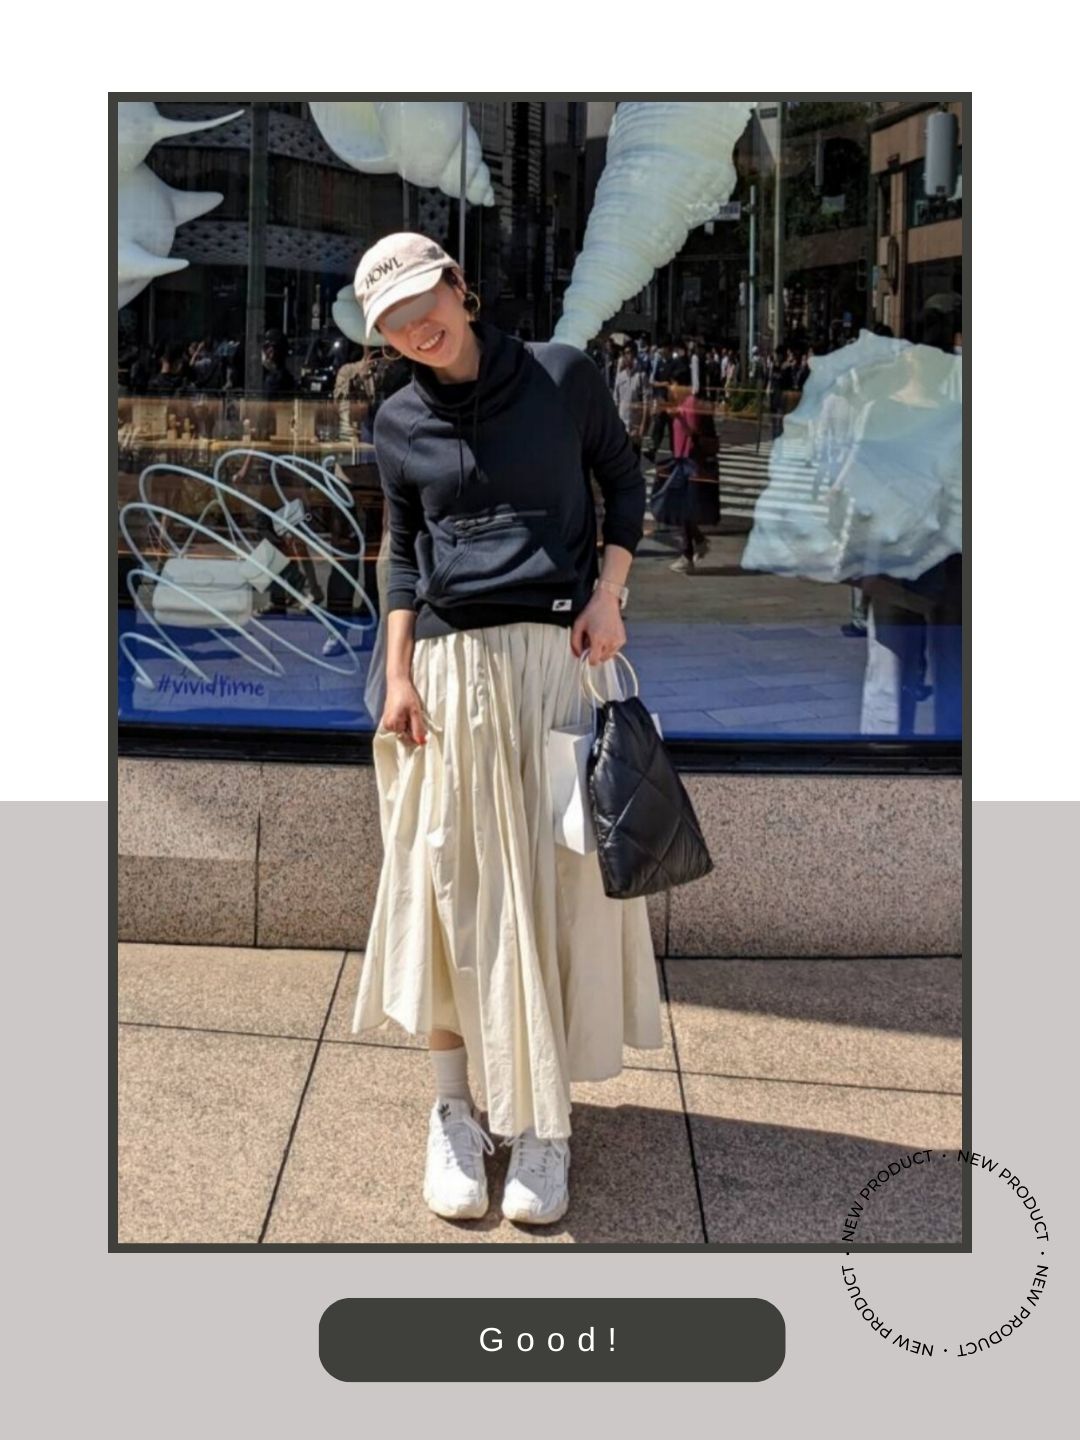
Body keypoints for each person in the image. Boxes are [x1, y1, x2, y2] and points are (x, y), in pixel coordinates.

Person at [351, 232, 663, 1228]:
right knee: (448, 882)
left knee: (554, 889)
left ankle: (542, 1123)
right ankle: (454, 1109)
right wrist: (399, 675)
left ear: (459, 285)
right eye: (394, 321)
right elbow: (403, 555)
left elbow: (626, 485)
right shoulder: (398, 418)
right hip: (447, 676)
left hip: (556, 662)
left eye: (424, 302)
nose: (417, 328)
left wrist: (610, 595)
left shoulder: (561, 377)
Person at [665, 366, 718, 573]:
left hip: (690, 462)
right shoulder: (682, 404)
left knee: (682, 510)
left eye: (673, 384)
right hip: (682, 460)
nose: (671, 388)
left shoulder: (690, 404)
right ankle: (700, 542)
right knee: (682, 509)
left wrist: (678, 417)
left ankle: (688, 555)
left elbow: (694, 433)